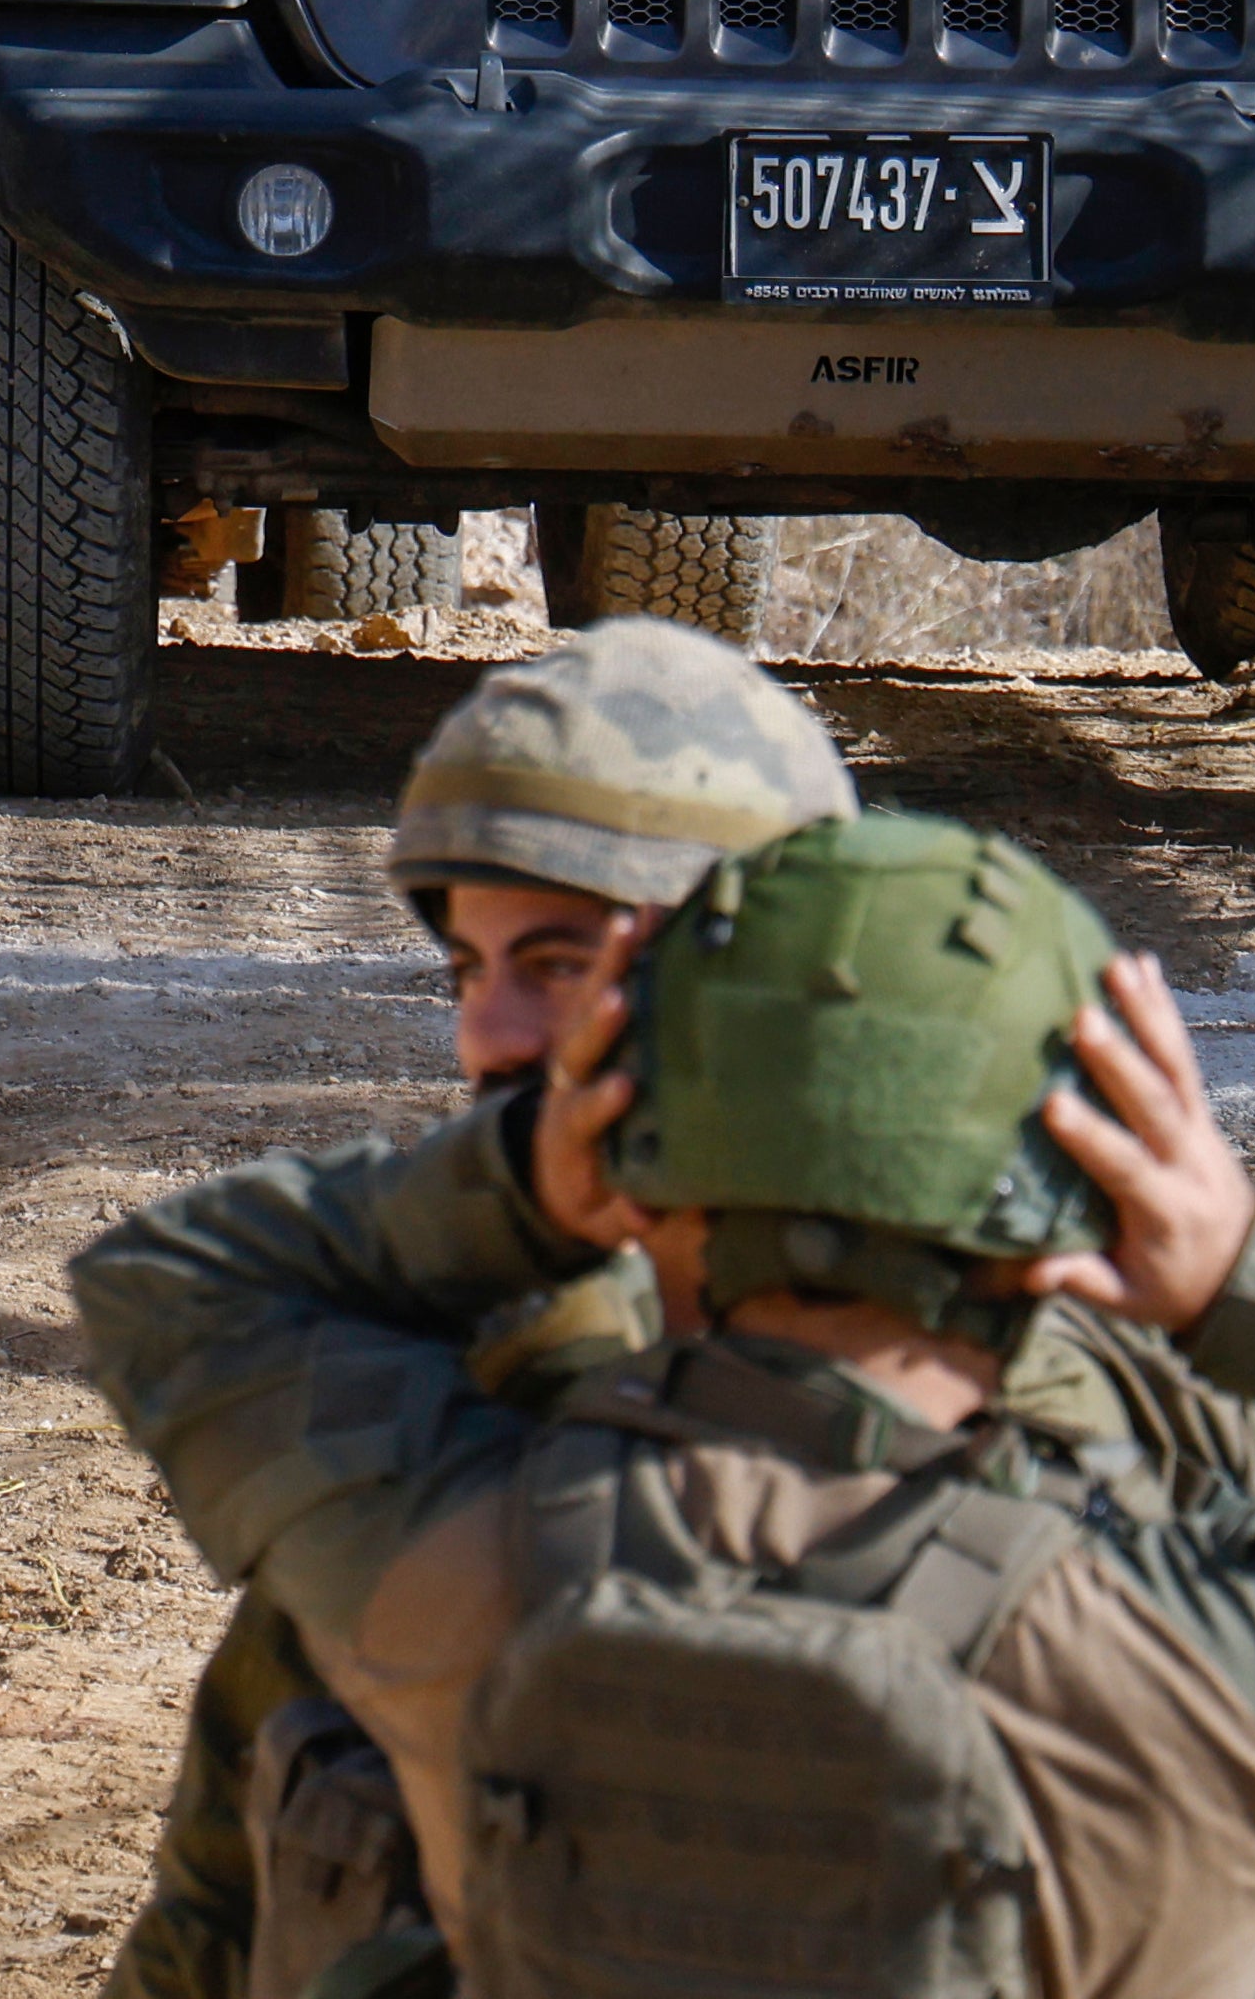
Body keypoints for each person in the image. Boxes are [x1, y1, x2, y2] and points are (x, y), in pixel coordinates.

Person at [74, 808, 1255, 1999]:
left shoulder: (450, 1568)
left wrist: (520, 1180)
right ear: (1074, 1201)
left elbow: (177, 1285)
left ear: (647, 1176)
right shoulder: (1212, 1659)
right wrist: (1248, 1273)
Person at [107, 621, 868, 1999]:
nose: (489, 1036)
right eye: (470, 971)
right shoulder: (462, 1391)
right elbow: (215, 1910)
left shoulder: (1007, 1430)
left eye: (558, 963)